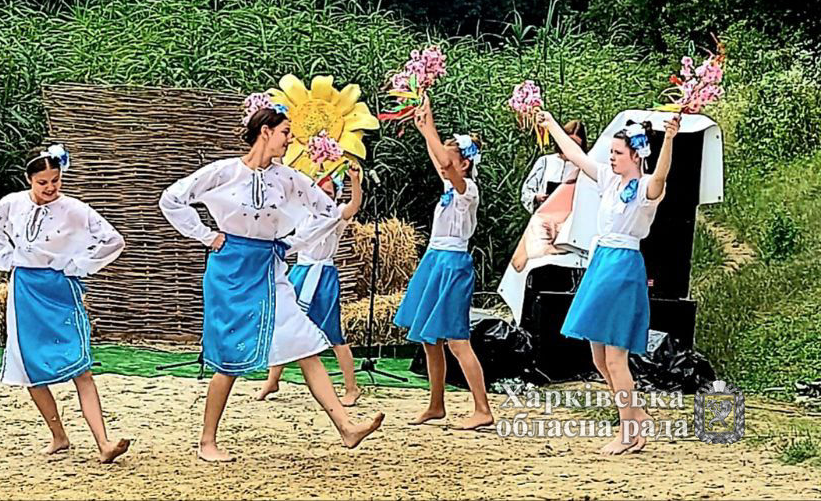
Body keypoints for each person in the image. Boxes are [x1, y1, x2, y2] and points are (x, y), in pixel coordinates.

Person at [160, 102, 384, 463]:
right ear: (265, 132)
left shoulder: (288, 177)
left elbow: (327, 211)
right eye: (284, 133)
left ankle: (346, 426)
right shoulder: (223, 172)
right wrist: (206, 236)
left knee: (304, 343)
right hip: (230, 271)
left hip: (270, 267)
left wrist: (295, 240)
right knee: (229, 358)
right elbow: (171, 199)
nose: (288, 139)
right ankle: (207, 441)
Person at [539, 110, 680, 454]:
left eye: (618, 153)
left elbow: (661, 175)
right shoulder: (608, 179)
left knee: (615, 357)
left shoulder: (646, 188)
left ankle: (628, 431)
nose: (612, 158)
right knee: (599, 357)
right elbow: (575, 155)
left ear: (636, 155)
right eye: (611, 153)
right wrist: (548, 122)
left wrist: (670, 139)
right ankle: (636, 415)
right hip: (601, 261)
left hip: (622, 266)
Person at [0, 144, 131, 464]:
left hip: (60, 288)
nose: (50, 187)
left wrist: (80, 265)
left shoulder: (75, 209)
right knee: (30, 368)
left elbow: (113, 240)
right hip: (24, 290)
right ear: (29, 179)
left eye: (56, 180)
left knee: (81, 366)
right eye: (42, 182)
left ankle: (103, 442)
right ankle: (59, 435)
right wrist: (6, 257)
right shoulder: (12, 204)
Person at [393, 95, 493, 430]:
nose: (442, 165)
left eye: (449, 160)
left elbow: (446, 167)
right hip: (435, 260)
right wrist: (425, 129)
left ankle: (482, 408)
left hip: (452, 265)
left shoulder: (468, 191)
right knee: (429, 338)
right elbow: (442, 165)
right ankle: (436, 404)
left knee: (456, 340)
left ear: (464, 164)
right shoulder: (450, 189)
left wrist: (431, 126)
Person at [255, 164, 364, 406]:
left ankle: (351, 387)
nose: (324, 197)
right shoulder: (302, 213)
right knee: (284, 324)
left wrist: (354, 181)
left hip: (322, 274)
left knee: (333, 333)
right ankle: (272, 380)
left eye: (329, 192)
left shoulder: (336, 215)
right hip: (300, 273)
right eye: (320, 192)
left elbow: (354, 206)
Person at [510, 119, 588, 272]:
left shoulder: (583, 166)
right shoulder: (546, 161)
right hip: (544, 221)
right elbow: (527, 189)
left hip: (569, 224)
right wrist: (536, 197)